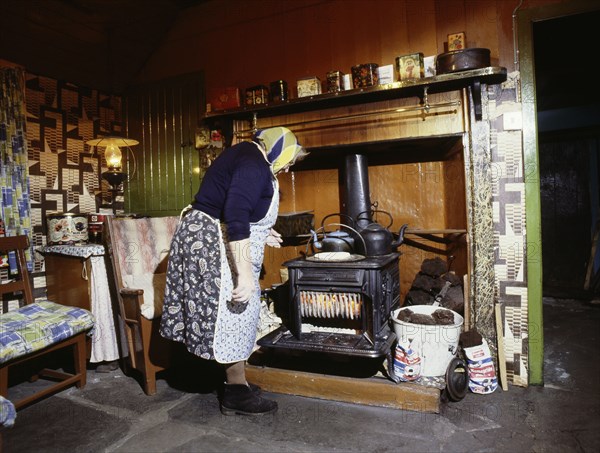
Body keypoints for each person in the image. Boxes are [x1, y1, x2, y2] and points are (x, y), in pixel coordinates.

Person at [160, 126, 308, 416]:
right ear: (279, 147)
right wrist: (243, 276)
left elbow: (239, 208)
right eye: (290, 159)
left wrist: (264, 232)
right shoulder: (255, 165)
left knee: (240, 312)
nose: (289, 166)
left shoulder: (249, 155)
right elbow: (236, 217)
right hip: (208, 241)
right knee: (237, 309)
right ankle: (235, 393)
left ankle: (235, 384)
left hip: (210, 234)